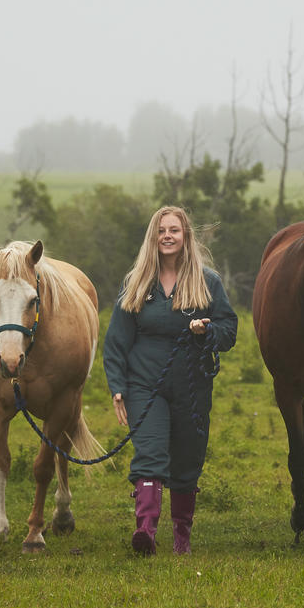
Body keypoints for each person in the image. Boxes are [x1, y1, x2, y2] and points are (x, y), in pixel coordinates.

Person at [103, 206, 238, 555]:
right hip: (144, 386)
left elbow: (229, 329)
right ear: (153, 237)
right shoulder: (135, 282)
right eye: (161, 230)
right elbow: (117, 340)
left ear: (185, 236)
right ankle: (145, 530)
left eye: (174, 230)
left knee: (187, 459)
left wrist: (206, 329)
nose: (167, 235)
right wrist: (117, 387)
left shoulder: (208, 282)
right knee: (149, 453)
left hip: (192, 387)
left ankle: (182, 537)